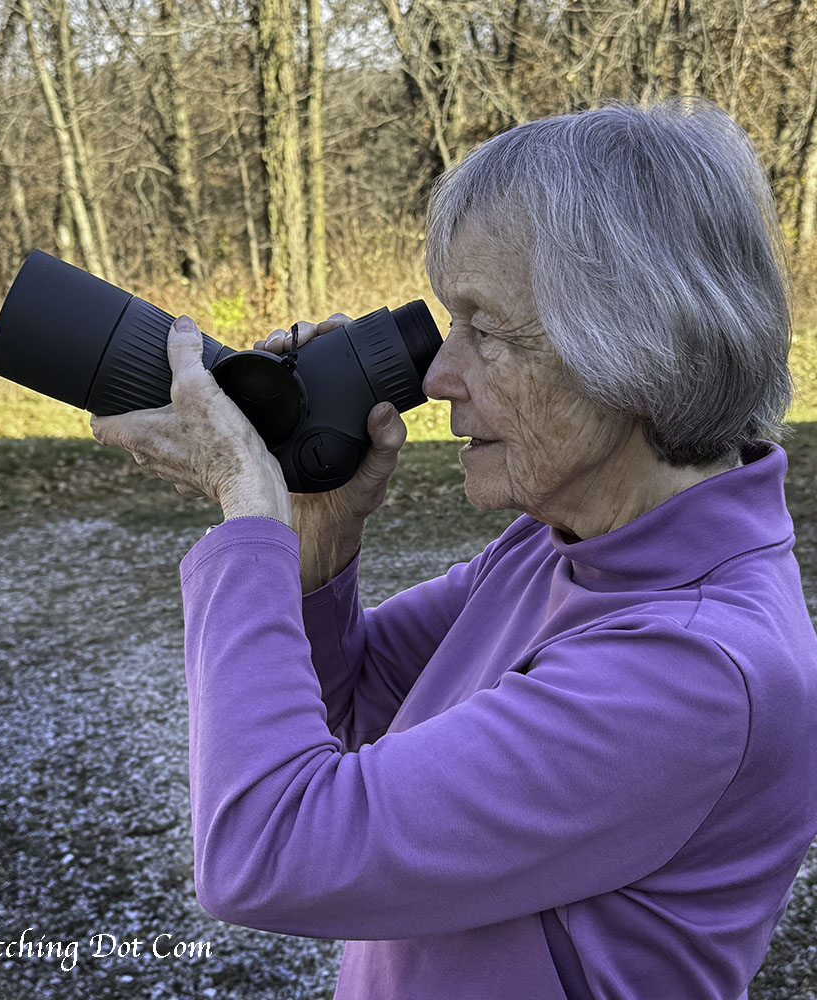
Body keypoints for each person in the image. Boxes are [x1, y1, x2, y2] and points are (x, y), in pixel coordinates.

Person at [91, 98, 817, 1000]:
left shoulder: (693, 670)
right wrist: (315, 539)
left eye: (485, 327)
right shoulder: (563, 546)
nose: (438, 378)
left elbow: (267, 849)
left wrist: (250, 515)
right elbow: (357, 712)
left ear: (640, 346)